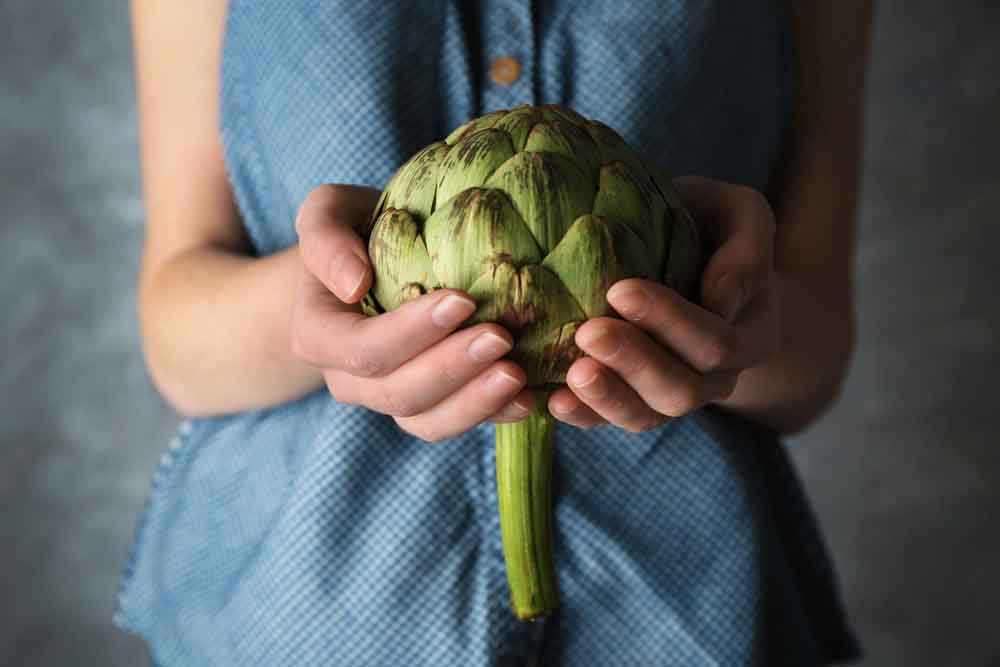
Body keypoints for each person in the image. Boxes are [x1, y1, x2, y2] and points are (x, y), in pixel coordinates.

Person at [118, 1, 870, 664]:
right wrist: (349, 295)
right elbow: (176, 335)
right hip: (301, 610)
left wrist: (726, 308)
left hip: (689, 611)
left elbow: (814, 360)